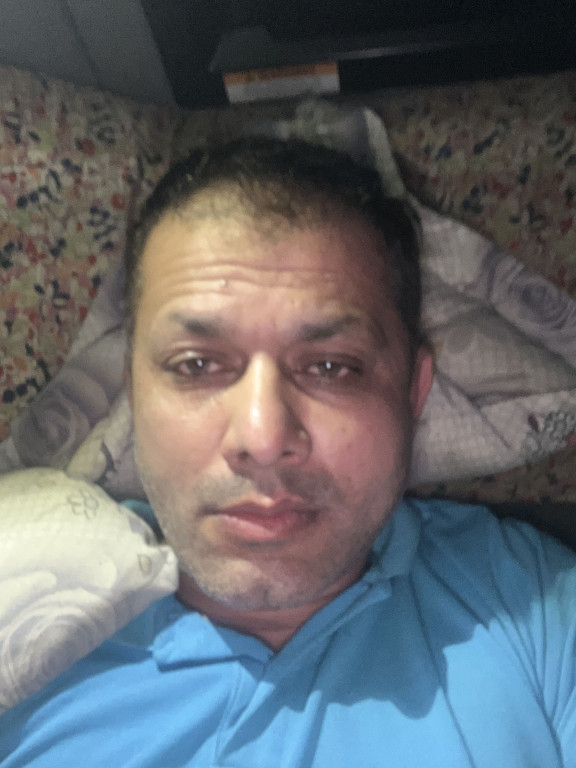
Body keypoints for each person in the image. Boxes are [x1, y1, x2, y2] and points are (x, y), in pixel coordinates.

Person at [1, 137, 575, 767]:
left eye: (331, 367)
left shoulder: (535, 606)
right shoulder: (22, 607)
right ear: (133, 394)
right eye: (196, 365)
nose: (263, 438)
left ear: (414, 392)